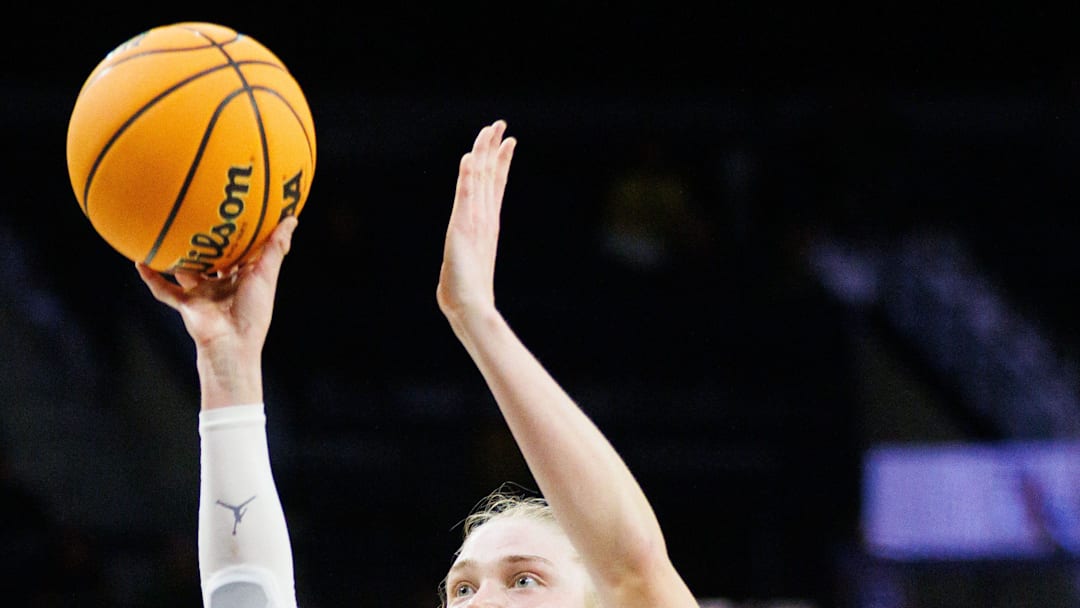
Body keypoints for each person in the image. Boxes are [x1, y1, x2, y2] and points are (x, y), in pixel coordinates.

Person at [138, 119, 699, 607]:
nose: (480, 601)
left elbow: (633, 569)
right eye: (461, 590)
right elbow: (246, 596)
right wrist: (227, 360)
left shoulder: (629, 584)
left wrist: (476, 318)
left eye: (525, 579)